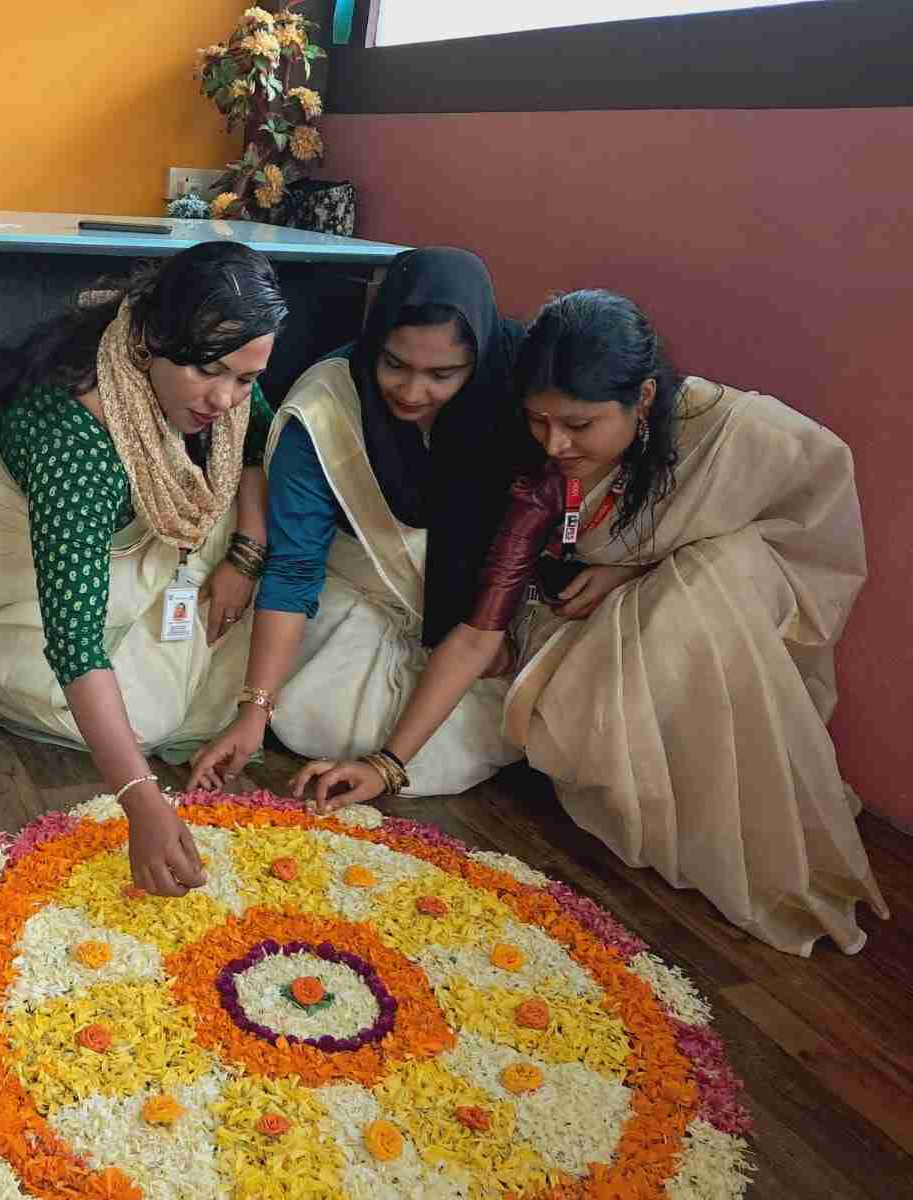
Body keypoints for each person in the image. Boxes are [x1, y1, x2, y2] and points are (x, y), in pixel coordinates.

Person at [292, 289, 888, 956]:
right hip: (584, 631)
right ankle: (674, 802)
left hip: (710, 612)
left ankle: (733, 808)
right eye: (540, 421)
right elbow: (482, 630)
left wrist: (639, 566)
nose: (557, 443)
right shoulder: (540, 480)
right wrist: (386, 764)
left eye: (579, 425)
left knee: (712, 581)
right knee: (679, 607)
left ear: (647, 400)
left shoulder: (731, 432)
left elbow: (811, 500)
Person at [0, 242, 288, 898]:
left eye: (246, 376)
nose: (226, 397)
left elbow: (255, 435)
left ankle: (159, 641)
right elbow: (76, 643)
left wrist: (247, 549)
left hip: (122, 549)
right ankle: (4, 683)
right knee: (149, 720)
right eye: (211, 371)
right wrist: (142, 803)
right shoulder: (76, 436)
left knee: (254, 641)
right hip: (10, 575)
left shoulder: (205, 382)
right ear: (148, 340)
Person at [191, 247, 534, 796]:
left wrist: (491, 625)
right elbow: (296, 567)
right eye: (394, 364)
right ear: (373, 341)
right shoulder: (328, 405)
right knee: (318, 721)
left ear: (480, 360)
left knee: (521, 715)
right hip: (361, 590)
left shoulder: (517, 391)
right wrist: (254, 711)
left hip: (482, 612)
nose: (412, 391)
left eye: (443, 374)